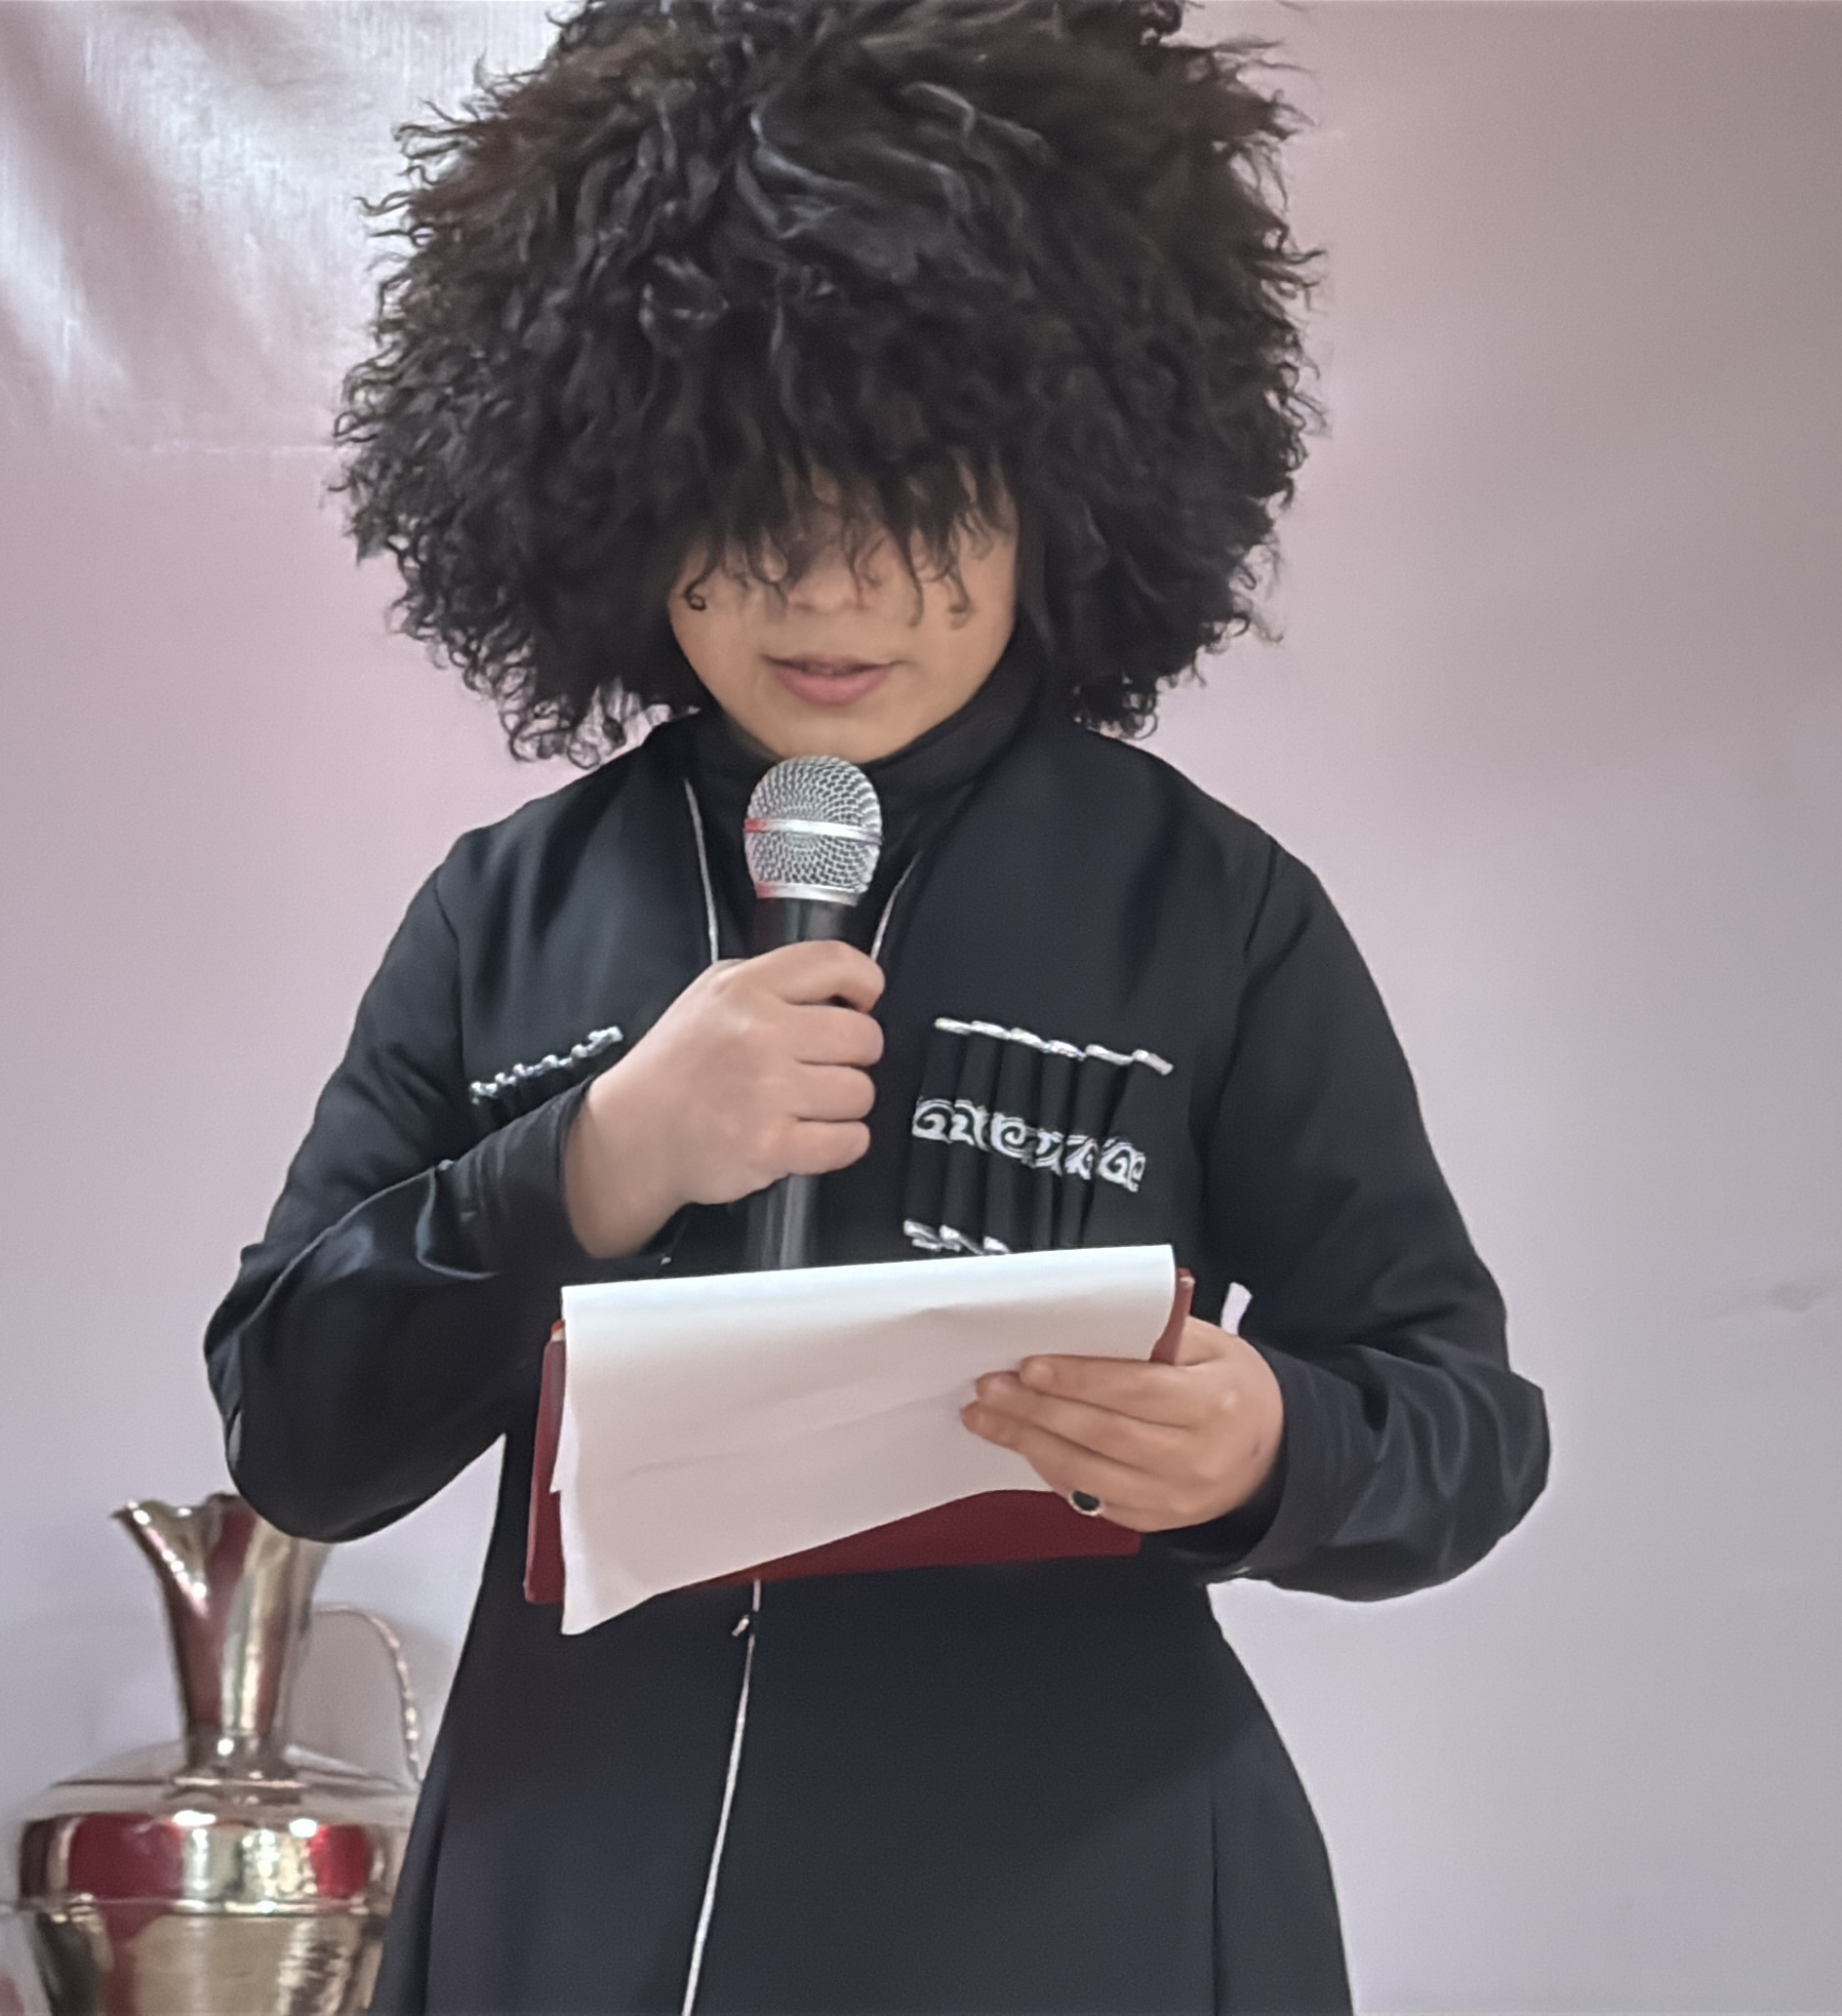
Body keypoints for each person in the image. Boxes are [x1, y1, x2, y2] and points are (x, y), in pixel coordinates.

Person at [200, 4, 1549, 2008]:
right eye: (751, 500)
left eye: (913, 500)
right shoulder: (503, 911)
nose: (826, 589)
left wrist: (1270, 1444)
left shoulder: (1212, 911)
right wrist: (590, 1162)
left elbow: (1460, 1420)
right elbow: (294, 1438)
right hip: (579, 1908)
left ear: (1064, 494)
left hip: (1085, 1916)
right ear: (617, 493)